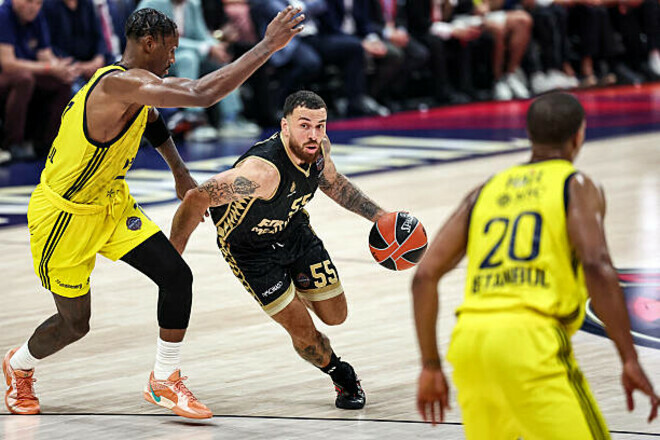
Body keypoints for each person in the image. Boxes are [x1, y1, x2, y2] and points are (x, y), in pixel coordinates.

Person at [2, 6, 304, 418]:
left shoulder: (136, 89)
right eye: (170, 49)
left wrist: (180, 172)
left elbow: (153, 120)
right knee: (74, 324)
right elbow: (201, 94)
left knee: (176, 276)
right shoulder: (117, 85)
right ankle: (19, 364)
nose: (173, 58)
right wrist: (267, 45)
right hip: (64, 216)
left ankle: (164, 379)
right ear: (149, 43)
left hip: (111, 204)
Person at [411, 92, 659, 437]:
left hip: (470, 345)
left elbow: (423, 276)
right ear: (579, 135)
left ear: (529, 135)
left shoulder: (485, 190)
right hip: (531, 340)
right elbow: (596, 264)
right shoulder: (576, 185)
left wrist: (430, 365)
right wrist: (629, 359)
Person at [169, 90, 388, 409]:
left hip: (294, 232)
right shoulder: (262, 172)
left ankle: (293, 291)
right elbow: (196, 197)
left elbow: (333, 183)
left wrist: (380, 216)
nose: (313, 134)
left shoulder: (320, 149)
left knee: (336, 315)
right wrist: (172, 257)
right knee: (305, 335)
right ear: (285, 126)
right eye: (304, 125)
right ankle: (340, 373)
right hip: (250, 252)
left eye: (320, 125)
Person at [0, 0, 77, 160]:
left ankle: (47, 142)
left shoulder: (37, 16)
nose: (33, 7)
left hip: (29, 72)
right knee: (24, 79)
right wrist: (48, 68)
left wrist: (60, 68)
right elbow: (8, 64)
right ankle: (12, 143)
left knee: (62, 81)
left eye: (38, 3)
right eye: (29, 1)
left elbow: (45, 54)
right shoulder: (3, 15)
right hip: (7, 75)